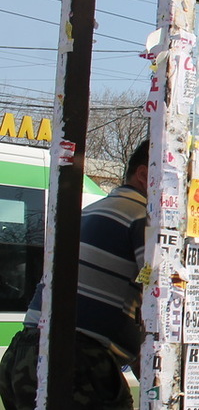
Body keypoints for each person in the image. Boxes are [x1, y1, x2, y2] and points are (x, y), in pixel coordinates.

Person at [0, 139, 149, 410]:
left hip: (22, 354)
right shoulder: (142, 216)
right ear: (144, 175)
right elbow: (161, 296)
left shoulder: (87, 212)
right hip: (75, 359)